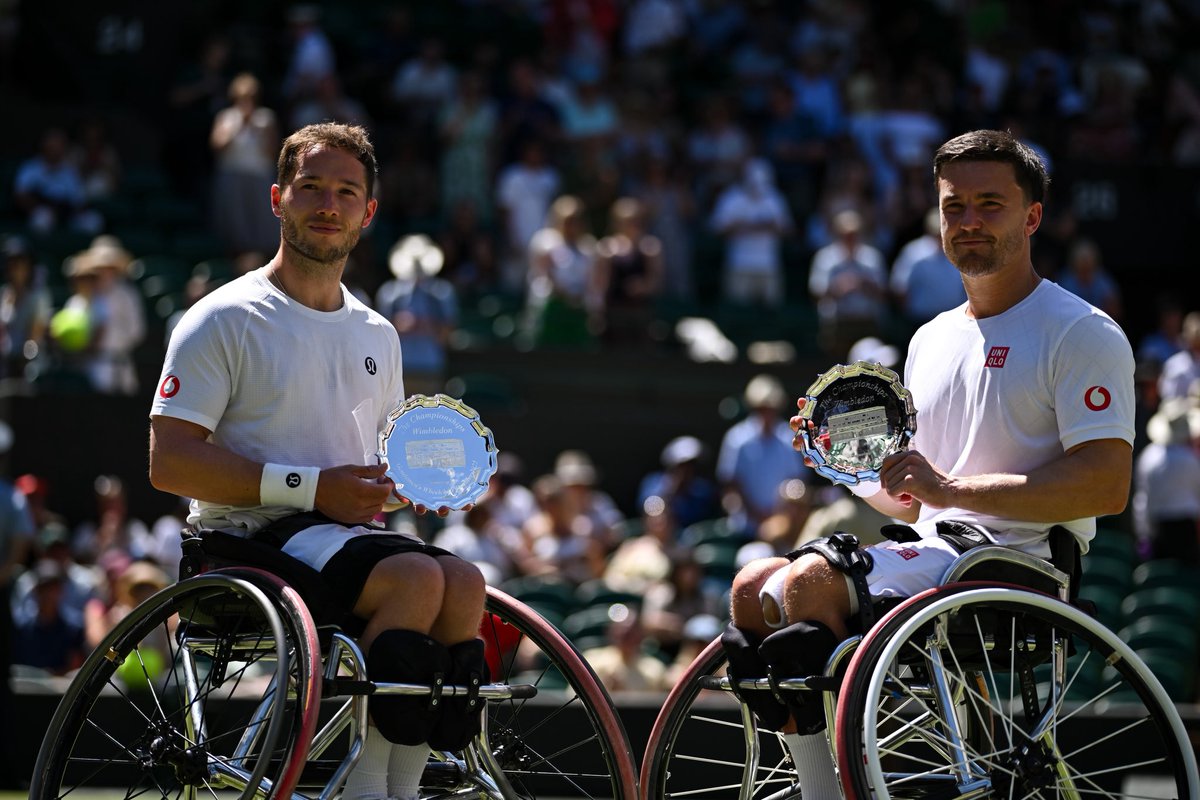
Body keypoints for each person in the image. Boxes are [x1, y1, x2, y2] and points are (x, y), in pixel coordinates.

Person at [724, 129, 1135, 799]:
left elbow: (1106, 484)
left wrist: (948, 487)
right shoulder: (930, 337)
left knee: (810, 584)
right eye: (954, 206)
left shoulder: (1081, 330)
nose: (967, 222)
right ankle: (816, 781)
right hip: (936, 551)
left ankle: (828, 793)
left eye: (989, 204)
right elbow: (918, 502)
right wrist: (843, 466)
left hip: (1017, 565)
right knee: (751, 586)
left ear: (1032, 216)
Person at [148, 123, 488, 800]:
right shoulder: (222, 317)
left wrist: (408, 486)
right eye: (311, 188)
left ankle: (398, 786)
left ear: (369, 212)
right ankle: (366, 790)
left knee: (467, 584)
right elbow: (169, 462)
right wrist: (312, 490)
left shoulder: (378, 334)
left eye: (345, 191)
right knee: (416, 579)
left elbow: (365, 471)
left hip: (339, 539)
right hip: (241, 538)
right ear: (277, 198)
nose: (327, 204)